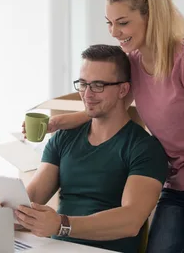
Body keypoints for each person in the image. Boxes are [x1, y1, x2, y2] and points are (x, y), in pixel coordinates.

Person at [25, 0, 184, 253]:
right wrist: (65, 121)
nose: (114, 32)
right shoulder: (133, 62)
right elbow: (110, 102)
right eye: (109, 23)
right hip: (176, 183)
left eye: (123, 23)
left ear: (150, 16)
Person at [12, 44, 168, 253]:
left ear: (123, 89)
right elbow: (33, 196)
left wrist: (61, 225)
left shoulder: (145, 148)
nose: (87, 94)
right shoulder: (64, 138)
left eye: (98, 85)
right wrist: (12, 211)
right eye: (83, 84)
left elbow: (131, 220)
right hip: (56, 248)